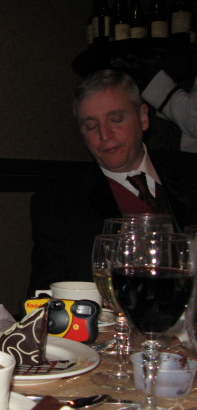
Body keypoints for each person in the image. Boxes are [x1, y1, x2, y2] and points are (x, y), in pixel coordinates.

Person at [29, 69, 197, 294]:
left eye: (116, 119)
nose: (105, 135)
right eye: (91, 126)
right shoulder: (56, 204)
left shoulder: (191, 173)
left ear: (143, 117)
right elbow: (46, 296)